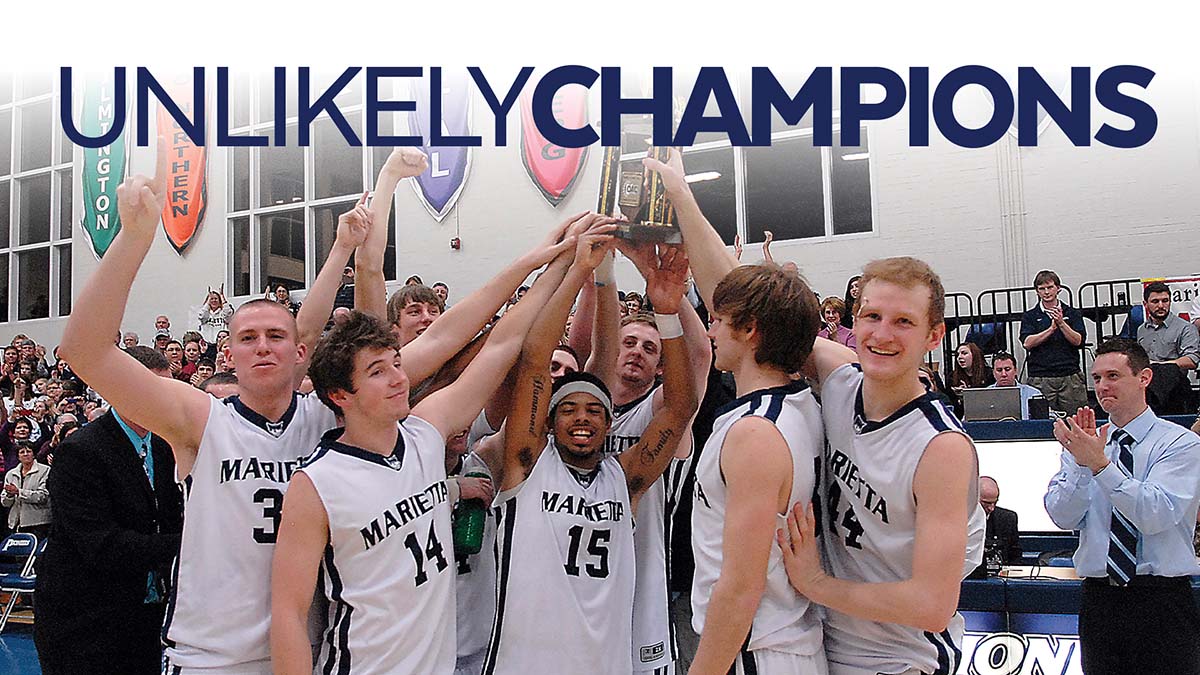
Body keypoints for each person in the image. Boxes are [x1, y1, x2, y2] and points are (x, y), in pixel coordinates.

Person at [271, 253, 565, 675]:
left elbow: (503, 343)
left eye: (396, 363)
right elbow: (289, 614)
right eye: (377, 371)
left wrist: (558, 259)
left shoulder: (427, 431)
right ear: (340, 395)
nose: (398, 378)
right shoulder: (315, 482)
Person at [644, 151, 832, 675]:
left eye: (718, 320)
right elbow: (730, 288)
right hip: (781, 645)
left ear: (749, 331)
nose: (709, 327)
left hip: (755, 652)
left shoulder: (755, 433)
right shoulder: (796, 400)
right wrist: (681, 197)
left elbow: (740, 585)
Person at [481, 227, 698, 675]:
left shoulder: (626, 479)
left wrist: (668, 313)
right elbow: (536, 359)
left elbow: (679, 409)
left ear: (608, 423)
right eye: (570, 410)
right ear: (551, 422)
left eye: (595, 411)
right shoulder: (526, 465)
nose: (582, 418)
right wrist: (581, 269)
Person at [1044, 338, 1200, 674]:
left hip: (1162, 599)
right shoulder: (1086, 443)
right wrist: (1083, 467)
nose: (1102, 386)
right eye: (1097, 378)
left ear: (1144, 378)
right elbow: (1062, 515)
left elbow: (1156, 513)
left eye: (1113, 376)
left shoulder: (1180, 443)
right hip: (1100, 599)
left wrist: (1101, 466)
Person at [33, 346, 185, 675]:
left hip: (143, 612)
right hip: (83, 619)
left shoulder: (164, 447)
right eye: (155, 389)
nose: (166, 399)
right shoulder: (81, 452)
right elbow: (102, 546)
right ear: (122, 388)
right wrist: (191, 543)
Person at [1020, 270, 1087, 416]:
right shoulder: (1030, 316)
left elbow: (1078, 340)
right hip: (1040, 377)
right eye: (1042, 289)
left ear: (1058, 288)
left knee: (1075, 419)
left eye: (1050, 287)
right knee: (1041, 420)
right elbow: (1027, 342)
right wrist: (1051, 329)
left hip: (1070, 375)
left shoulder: (1072, 313)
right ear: (1037, 291)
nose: (1046, 292)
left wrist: (1061, 323)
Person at [1136, 281, 1200, 414]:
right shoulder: (1141, 329)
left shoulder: (1185, 328)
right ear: (1145, 304)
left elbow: (1192, 360)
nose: (1161, 305)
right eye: (1155, 301)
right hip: (1147, 390)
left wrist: (1159, 365)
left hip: (1175, 390)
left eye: (1165, 301)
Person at [1, 441, 51, 540]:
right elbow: (5, 503)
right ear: (18, 456)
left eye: (28, 451)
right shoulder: (11, 474)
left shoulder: (45, 470)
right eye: (22, 452)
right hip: (16, 523)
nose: (25, 454)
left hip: (38, 523)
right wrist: (9, 495)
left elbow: (43, 496)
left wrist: (19, 492)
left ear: (33, 454)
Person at [978, 476, 1020, 565]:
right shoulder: (956, 520)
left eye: (995, 502)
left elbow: (1015, 556)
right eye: (986, 503)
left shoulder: (1007, 519)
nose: (991, 508)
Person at [988, 352, 1043, 420]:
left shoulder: (1033, 394)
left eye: (1007, 369)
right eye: (999, 370)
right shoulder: (985, 395)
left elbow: (1046, 419)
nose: (1004, 374)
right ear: (993, 372)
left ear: (1015, 370)